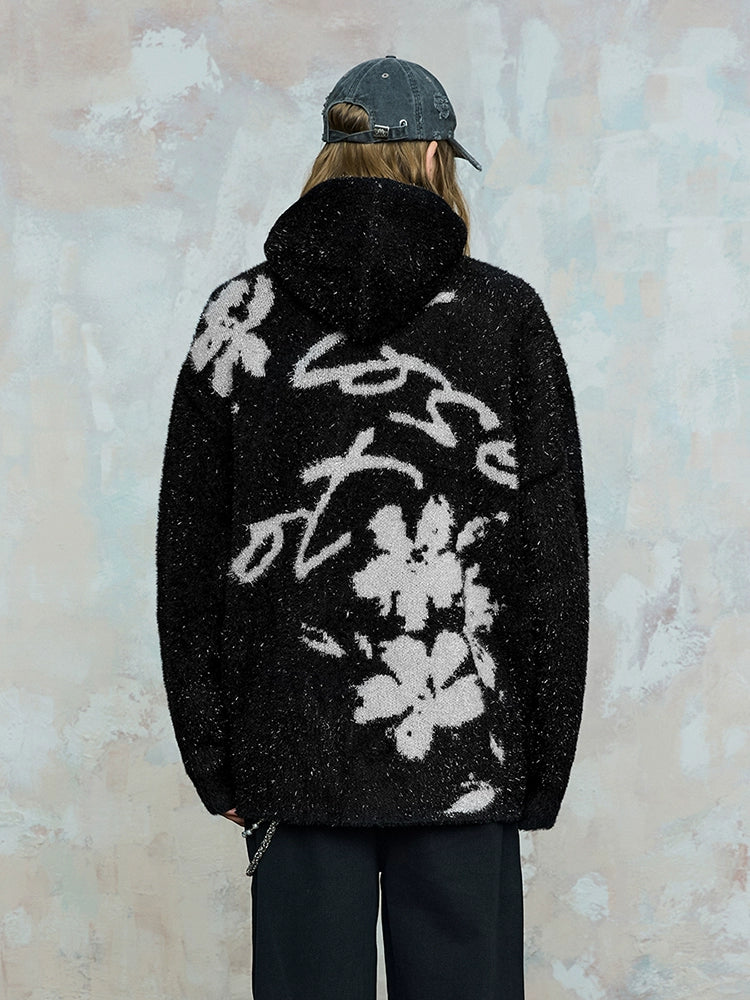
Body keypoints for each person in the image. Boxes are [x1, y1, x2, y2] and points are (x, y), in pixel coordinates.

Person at [156, 54, 589, 1000]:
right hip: (465, 739)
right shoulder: (503, 314)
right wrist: (541, 759)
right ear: (434, 157)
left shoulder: (238, 317)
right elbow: (550, 554)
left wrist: (213, 756)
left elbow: (188, 555)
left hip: (288, 747)